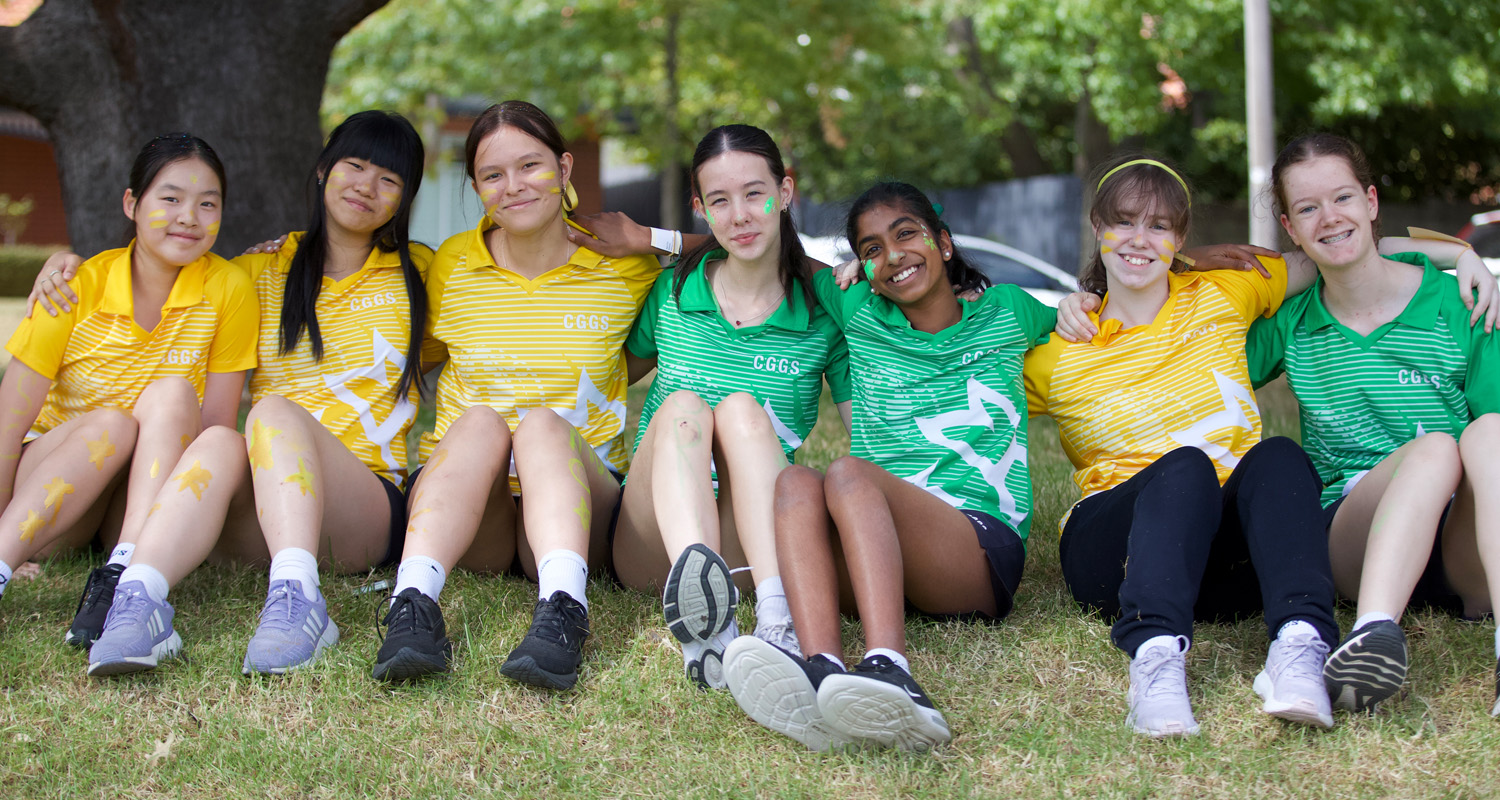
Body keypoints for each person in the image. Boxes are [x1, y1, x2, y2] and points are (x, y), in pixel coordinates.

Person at [721, 181, 1053, 752]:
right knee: (797, 480)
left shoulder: (1007, 312)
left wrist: (1190, 259)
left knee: (847, 472)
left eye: (906, 235)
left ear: (943, 243)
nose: (893, 256)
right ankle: (821, 669)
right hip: (880, 548)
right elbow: (758, 247)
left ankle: (889, 667)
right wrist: (657, 238)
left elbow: (1117, 295)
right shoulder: (855, 306)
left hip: (975, 550)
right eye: (871, 249)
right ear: (860, 267)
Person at [373, 100, 659, 689]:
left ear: (564, 167)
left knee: (541, 425)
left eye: (531, 165)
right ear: (475, 186)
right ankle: (412, 604)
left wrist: (660, 236)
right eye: (492, 175)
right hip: (475, 520)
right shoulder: (449, 264)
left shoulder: (629, 267)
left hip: (582, 510)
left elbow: (752, 249)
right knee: (478, 423)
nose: (514, 187)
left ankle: (563, 609)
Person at [1246, 133, 1500, 715]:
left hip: (1466, 547)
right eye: (1308, 209)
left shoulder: (1461, 302)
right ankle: (1371, 635)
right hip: (1358, 541)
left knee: (1488, 432)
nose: (1329, 218)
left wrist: (1460, 256)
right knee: (1434, 448)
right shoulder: (1293, 321)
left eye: (1342, 199)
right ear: (1291, 228)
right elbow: (1204, 336)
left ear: (1372, 201)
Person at [610, 124, 851, 690]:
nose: (739, 214)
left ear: (785, 193)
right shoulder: (672, 292)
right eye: (720, 200)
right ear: (701, 209)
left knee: (743, 410)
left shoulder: (825, 309)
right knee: (684, 408)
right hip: (651, 546)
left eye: (754, 193)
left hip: (753, 541)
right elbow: (603, 378)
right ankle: (703, 615)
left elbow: (863, 436)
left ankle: (775, 621)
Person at [0, 134, 256, 638]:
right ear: (132, 204)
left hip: (138, 509)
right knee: (114, 425)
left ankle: (122, 572)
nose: (189, 217)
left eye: (208, 204)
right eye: (170, 198)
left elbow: (213, 432)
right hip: (52, 501)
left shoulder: (228, 290)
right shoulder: (74, 286)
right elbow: (9, 426)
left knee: (174, 394)